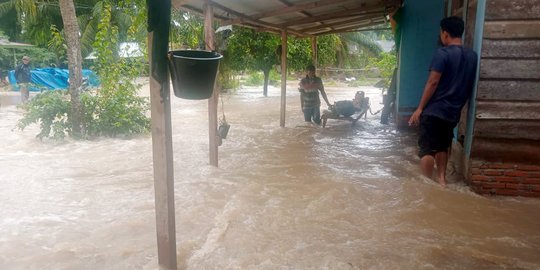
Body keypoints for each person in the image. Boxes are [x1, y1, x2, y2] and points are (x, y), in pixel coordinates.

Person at [408, 16, 478, 187]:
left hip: (434, 110)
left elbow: (433, 82)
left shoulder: (443, 53)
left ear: (445, 33)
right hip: (452, 112)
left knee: (427, 150)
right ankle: (442, 181)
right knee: (442, 146)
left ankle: (426, 185)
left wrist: (419, 108)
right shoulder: (472, 56)